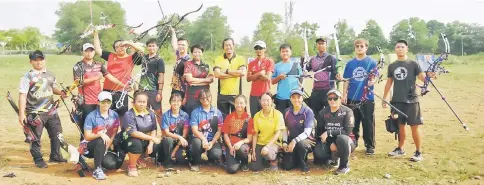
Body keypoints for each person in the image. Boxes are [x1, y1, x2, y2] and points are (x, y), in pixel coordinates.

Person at [382, 40, 436, 162]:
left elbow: (422, 78)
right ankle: (400, 149)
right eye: (398, 47)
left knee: (414, 127)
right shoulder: (392, 66)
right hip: (397, 101)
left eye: (402, 47)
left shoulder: (413, 63)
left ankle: (418, 152)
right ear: (395, 49)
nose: (400, 49)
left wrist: (429, 77)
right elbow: (389, 82)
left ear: (406, 49)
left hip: (412, 100)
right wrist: (385, 98)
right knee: (400, 126)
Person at [18, 50, 67, 168]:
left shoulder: (50, 74)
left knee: (57, 134)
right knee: (35, 138)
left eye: (41, 59)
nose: (39, 62)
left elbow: (52, 88)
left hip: (51, 111)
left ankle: (55, 155)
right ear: (31, 62)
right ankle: (38, 159)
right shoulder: (27, 77)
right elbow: (22, 95)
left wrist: (61, 92)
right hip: (35, 113)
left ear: (45, 60)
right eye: (36, 60)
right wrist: (21, 114)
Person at [73, 43, 125, 141]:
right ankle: (83, 150)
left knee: (99, 126)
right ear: (82, 52)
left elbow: (109, 76)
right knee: (86, 127)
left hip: (99, 101)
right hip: (85, 102)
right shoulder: (78, 66)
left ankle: (97, 146)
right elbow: (78, 83)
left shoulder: (99, 64)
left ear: (94, 52)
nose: (89, 53)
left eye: (91, 51)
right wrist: (96, 77)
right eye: (86, 51)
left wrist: (123, 85)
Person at [93, 30, 144, 116]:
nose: (120, 48)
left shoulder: (131, 58)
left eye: (122, 46)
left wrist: (129, 43)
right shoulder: (110, 56)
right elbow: (98, 50)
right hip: (107, 89)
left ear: (125, 47)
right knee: (107, 115)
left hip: (122, 91)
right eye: (117, 47)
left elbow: (142, 50)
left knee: (122, 116)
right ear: (115, 49)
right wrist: (95, 34)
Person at [342, 38, 377, 154]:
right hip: (352, 97)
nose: (359, 48)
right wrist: (344, 94)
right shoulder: (350, 64)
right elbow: (346, 80)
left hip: (367, 97)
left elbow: (374, 76)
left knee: (368, 121)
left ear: (366, 48)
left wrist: (372, 81)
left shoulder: (371, 62)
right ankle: (354, 141)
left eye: (362, 46)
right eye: (357, 46)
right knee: (353, 121)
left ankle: (369, 145)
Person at [314, 89, 355, 175]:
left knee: (342, 139)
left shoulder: (348, 111)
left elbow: (347, 132)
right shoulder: (322, 112)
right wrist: (330, 143)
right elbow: (320, 132)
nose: (332, 100)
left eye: (335, 98)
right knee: (318, 153)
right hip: (329, 141)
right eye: (330, 98)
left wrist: (329, 132)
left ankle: (344, 166)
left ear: (340, 99)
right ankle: (334, 158)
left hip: (346, 141)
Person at [122, 91, 162, 177]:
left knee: (157, 146)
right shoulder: (129, 114)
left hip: (146, 139)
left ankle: (140, 157)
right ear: (133, 102)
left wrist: (151, 144)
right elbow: (133, 133)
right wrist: (151, 138)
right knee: (136, 143)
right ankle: (132, 166)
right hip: (130, 140)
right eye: (139, 102)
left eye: (144, 102)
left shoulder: (150, 113)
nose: (142, 104)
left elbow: (153, 129)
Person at [83, 91, 121, 180]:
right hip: (89, 147)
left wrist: (108, 145)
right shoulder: (91, 116)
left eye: (108, 102)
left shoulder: (114, 115)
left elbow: (115, 131)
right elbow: (87, 136)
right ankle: (97, 169)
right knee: (100, 140)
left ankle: (101, 162)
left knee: (111, 165)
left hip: (105, 145)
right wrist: (100, 134)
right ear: (98, 102)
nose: (106, 104)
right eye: (103, 102)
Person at [189, 89, 224, 172]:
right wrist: (204, 139)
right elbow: (194, 130)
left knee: (216, 154)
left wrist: (212, 142)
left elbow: (219, 131)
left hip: (212, 140)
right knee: (196, 143)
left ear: (211, 97)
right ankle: (196, 162)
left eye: (207, 97)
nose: (205, 100)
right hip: (200, 139)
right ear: (200, 100)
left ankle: (211, 159)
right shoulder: (195, 112)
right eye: (202, 98)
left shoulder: (217, 113)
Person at [281, 89, 315, 173]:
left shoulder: (308, 111)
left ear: (302, 98)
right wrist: (285, 142)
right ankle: (295, 158)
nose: (296, 100)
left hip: (307, 140)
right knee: (287, 167)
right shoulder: (286, 112)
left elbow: (307, 132)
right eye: (293, 97)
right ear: (290, 99)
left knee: (301, 144)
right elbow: (285, 128)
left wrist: (294, 141)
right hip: (292, 139)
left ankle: (302, 162)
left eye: (298, 97)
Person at [306, 37, 339, 120]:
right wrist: (303, 62)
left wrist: (338, 76)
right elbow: (306, 70)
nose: (320, 45)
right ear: (316, 45)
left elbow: (336, 73)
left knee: (331, 113)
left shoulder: (332, 58)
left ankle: (330, 132)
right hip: (316, 90)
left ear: (326, 45)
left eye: (322, 43)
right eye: (319, 43)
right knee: (316, 114)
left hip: (328, 90)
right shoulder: (312, 59)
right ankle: (319, 131)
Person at [251, 92, 285, 172]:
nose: (265, 103)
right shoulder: (257, 116)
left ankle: (274, 160)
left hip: (274, 143)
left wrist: (267, 146)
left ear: (272, 101)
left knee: (269, 153)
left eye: (267, 100)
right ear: (260, 101)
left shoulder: (277, 114)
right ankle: (265, 160)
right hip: (261, 142)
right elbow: (255, 134)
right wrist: (253, 150)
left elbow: (277, 133)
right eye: (263, 100)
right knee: (255, 167)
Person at [213, 38, 247, 119]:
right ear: (223, 47)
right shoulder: (218, 59)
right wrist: (235, 74)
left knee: (237, 119)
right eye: (226, 45)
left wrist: (227, 71)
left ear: (233, 46)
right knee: (223, 119)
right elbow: (217, 74)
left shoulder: (240, 59)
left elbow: (242, 72)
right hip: (222, 95)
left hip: (236, 95)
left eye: (230, 45)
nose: (228, 47)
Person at [222, 95, 254, 174]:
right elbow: (225, 134)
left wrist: (240, 143)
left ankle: (244, 161)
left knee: (242, 150)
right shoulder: (229, 117)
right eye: (237, 103)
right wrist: (230, 147)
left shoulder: (249, 119)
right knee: (231, 170)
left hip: (243, 145)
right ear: (234, 104)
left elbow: (250, 138)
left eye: (241, 103)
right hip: (231, 145)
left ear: (245, 104)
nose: (239, 105)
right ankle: (235, 160)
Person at [138, 38, 165, 125]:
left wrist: (159, 92)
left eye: (153, 46)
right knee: (144, 111)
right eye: (149, 46)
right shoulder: (144, 58)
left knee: (158, 111)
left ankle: (164, 133)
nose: (151, 48)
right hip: (143, 89)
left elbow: (161, 75)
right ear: (147, 47)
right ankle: (147, 130)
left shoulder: (159, 60)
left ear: (157, 47)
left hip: (154, 89)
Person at [160, 93, 190, 170]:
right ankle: (167, 163)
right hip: (168, 140)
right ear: (170, 102)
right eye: (173, 101)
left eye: (178, 101)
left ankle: (172, 155)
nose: (175, 103)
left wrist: (174, 151)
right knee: (168, 140)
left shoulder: (185, 116)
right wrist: (179, 137)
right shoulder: (165, 115)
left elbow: (184, 135)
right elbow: (166, 133)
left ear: (181, 102)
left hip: (179, 143)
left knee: (182, 159)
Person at [183, 44, 214, 115]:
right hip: (192, 95)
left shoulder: (206, 65)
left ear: (202, 53)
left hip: (205, 95)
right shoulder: (188, 64)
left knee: (204, 115)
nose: (197, 54)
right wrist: (205, 80)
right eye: (195, 52)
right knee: (192, 115)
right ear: (192, 53)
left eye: (199, 52)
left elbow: (211, 79)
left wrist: (195, 82)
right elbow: (189, 80)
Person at [272, 44, 303, 114]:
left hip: (294, 98)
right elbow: (272, 82)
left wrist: (299, 88)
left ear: (290, 52)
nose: (285, 53)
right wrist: (279, 77)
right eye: (283, 51)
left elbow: (301, 78)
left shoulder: (296, 65)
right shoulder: (276, 66)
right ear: (280, 53)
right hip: (281, 98)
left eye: (287, 51)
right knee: (282, 120)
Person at [246, 40, 274, 117]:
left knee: (267, 117)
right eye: (256, 48)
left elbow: (268, 78)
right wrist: (260, 73)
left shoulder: (269, 61)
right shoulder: (251, 63)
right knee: (254, 117)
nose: (258, 50)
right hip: (254, 94)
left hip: (265, 94)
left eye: (260, 48)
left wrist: (254, 76)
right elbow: (248, 79)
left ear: (265, 49)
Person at [169, 27, 191, 100]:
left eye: (183, 45)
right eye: (179, 44)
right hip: (175, 88)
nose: (180, 46)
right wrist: (173, 32)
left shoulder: (189, 60)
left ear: (187, 46)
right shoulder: (178, 55)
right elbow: (174, 44)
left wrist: (186, 95)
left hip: (183, 90)